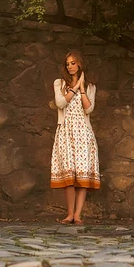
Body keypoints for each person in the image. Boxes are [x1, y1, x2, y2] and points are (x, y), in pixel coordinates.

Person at [50, 50, 100, 224]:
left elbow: (89, 109)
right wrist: (74, 87)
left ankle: (78, 215)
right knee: (69, 176)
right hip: (66, 133)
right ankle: (70, 214)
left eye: (73, 63)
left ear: (80, 64)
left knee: (82, 177)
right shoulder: (60, 84)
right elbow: (61, 103)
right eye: (67, 64)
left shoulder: (90, 86)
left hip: (83, 134)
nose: (70, 66)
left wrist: (83, 89)